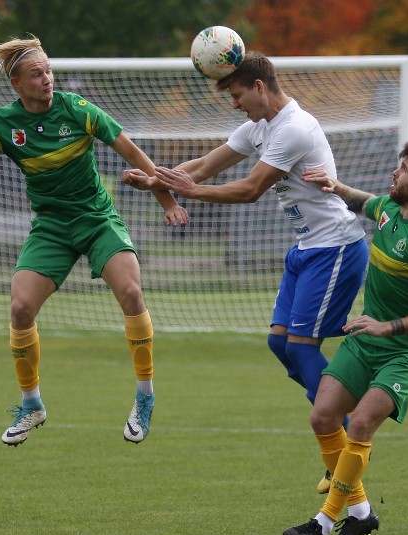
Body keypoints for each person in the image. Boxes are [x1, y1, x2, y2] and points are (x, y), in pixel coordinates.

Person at [122, 52, 369, 492]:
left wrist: (192, 191)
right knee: (280, 343)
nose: (234, 104)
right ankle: (340, 421)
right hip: (307, 249)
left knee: (303, 348)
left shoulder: (294, 128)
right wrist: (155, 180)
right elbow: (198, 167)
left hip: (336, 247)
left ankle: (345, 438)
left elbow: (251, 188)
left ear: (259, 87)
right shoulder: (257, 128)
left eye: (236, 95)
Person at [0, 35, 188, 446]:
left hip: (97, 218)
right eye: (36, 74)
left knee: (131, 292)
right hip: (52, 226)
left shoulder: (78, 110)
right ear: (17, 85)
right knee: (20, 307)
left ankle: (145, 396)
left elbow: (133, 153)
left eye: (48, 70)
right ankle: (32, 404)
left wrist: (166, 200)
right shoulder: (2, 125)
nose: (47, 79)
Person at [282, 141, 408, 535]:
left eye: (405, 169)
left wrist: (387, 327)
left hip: (406, 350)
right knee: (323, 417)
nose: (396, 173)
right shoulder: (390, 211)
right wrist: (335, 185)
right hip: (366, 341)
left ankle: (322, 525)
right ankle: (361, 514)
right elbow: (365, 202)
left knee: (360, 424)